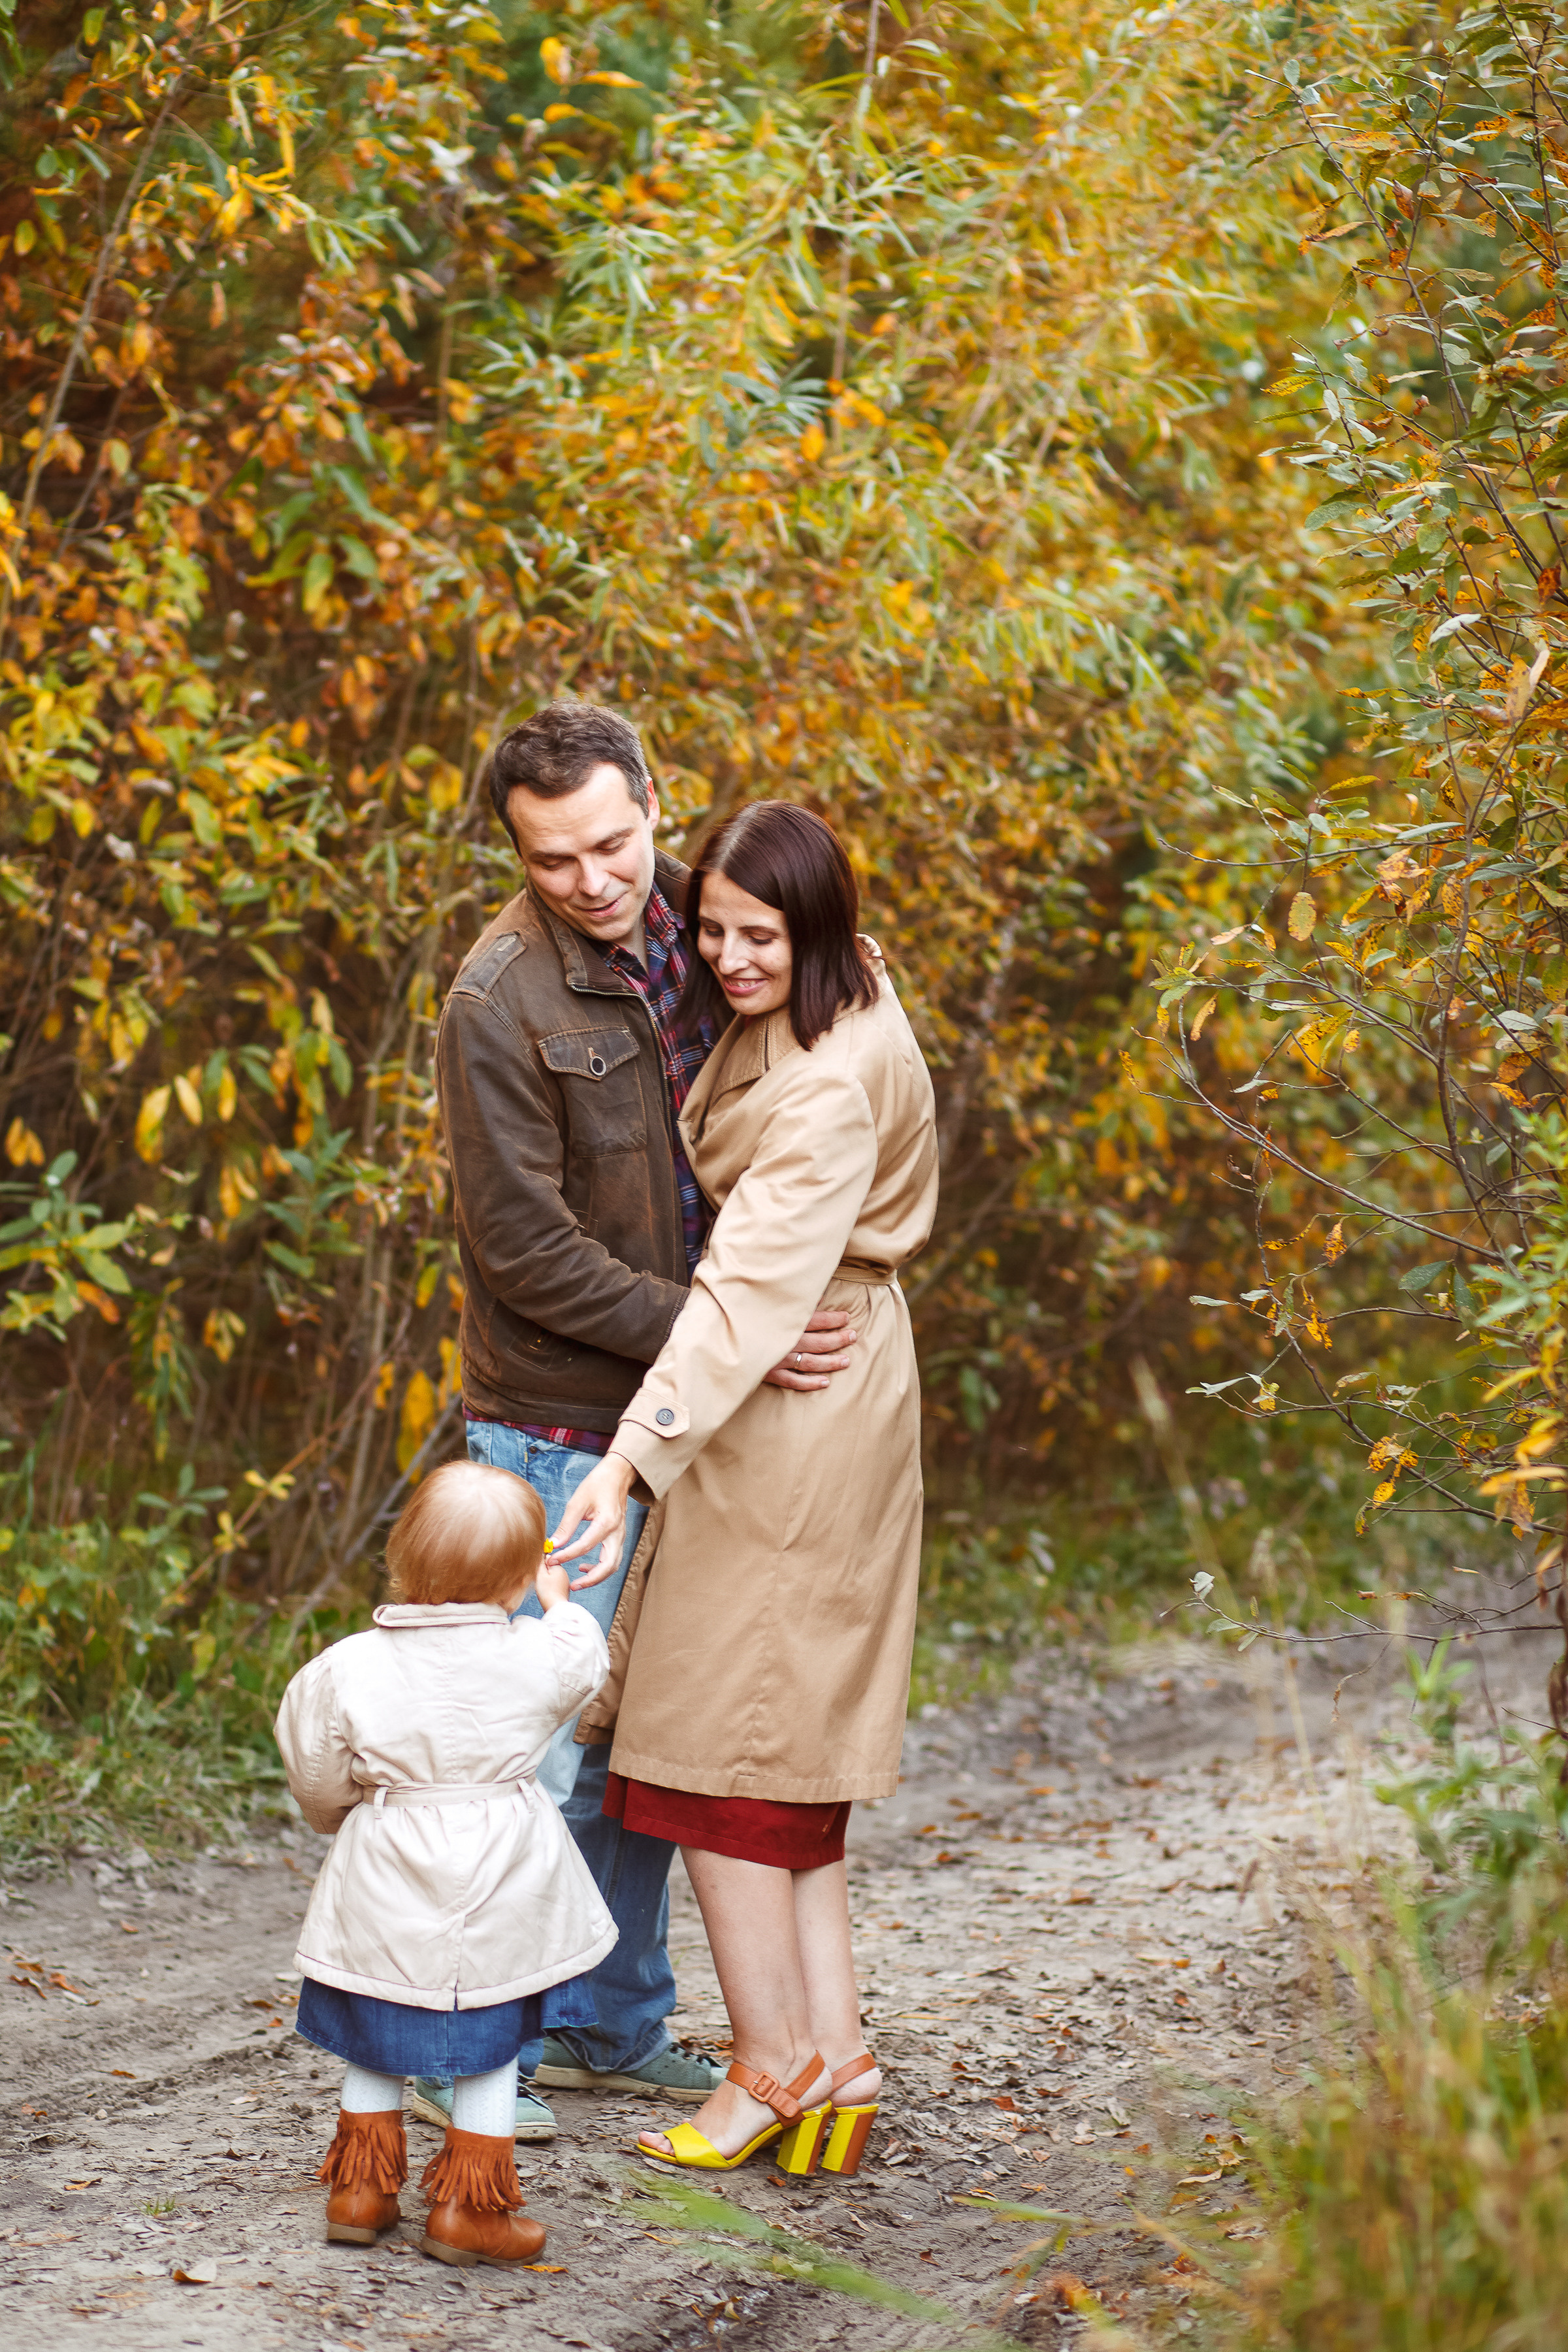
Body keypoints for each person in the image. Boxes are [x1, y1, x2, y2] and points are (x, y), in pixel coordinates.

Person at [429, 702, 862, 2136]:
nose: (593, 879)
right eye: (553, 860)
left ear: (655, 805)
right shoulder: (497, 1002)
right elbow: (520, 1248)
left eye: (613, 842)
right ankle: (458, 2050)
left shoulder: (710, 921)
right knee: (537, 1745)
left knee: (644, 1745)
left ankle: (607, 2028)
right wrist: (724, 1333)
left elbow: (823, 1041)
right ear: (517, 851)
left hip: (688, 1414)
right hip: (562, 1424)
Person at [553, 800, 939, 2178]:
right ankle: (835, 2054)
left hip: (799, 1395)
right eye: (710, 927)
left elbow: (742, 1298)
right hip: (813, 1375)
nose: (726, 957)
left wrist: (627, 1461)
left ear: (816, 928)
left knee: (712, 1753)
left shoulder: (833, 1084)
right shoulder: (850, 978)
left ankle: (770, 2070)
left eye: (758, 934)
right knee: (777, 1756)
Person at [274, 1461, 612, 2266]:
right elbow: (583, 1660)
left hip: (386, 1862)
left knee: (376, 2018)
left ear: (402, 1558)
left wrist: (339, 1819)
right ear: (517, 1582)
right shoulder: (535, 1653)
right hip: (506, 1878)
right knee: (490, 2035)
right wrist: (559, 1604)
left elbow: (315, 1771)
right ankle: (471, 2209)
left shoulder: (348, 1666)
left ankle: (359, 2190)